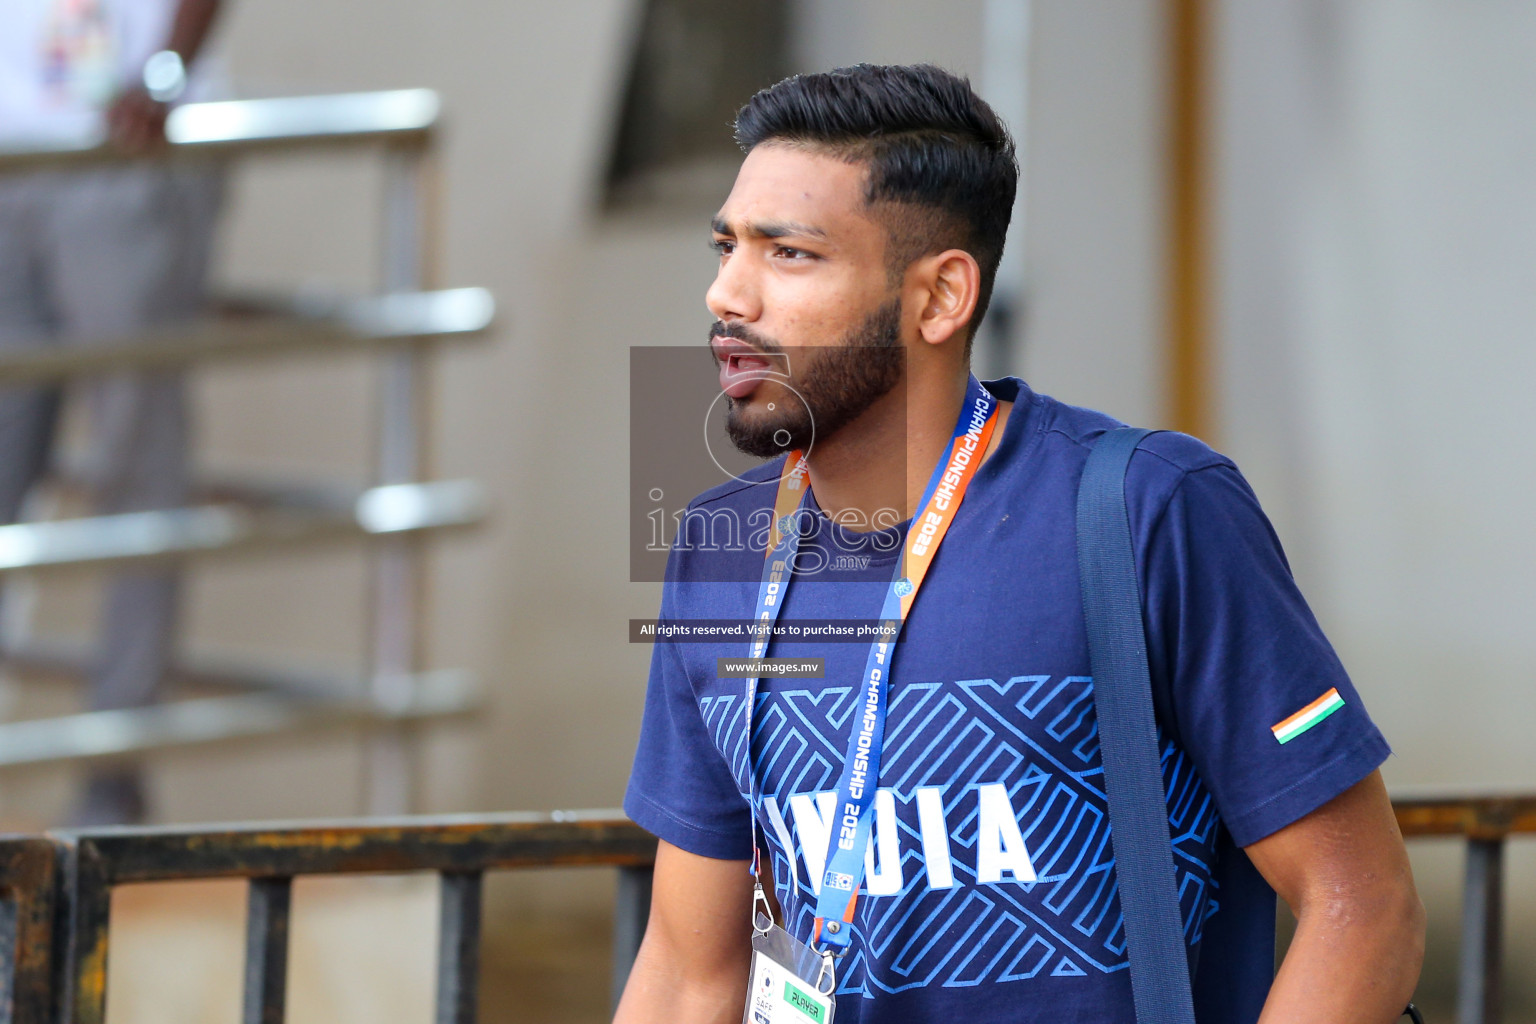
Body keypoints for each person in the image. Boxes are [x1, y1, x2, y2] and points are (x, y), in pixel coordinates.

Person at [617, 64, 1424, 1023]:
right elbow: (689, 968)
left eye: (788, 255)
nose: (726, 294)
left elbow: (1362, 909)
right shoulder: (722, 553)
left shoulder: (1145, 510)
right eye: (726, 246)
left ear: (940, 296)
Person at [0, 0, 225, 824]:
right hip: (13, 150)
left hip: (123, 153)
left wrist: (162, 74)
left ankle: (111, 783)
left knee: (137, 466)